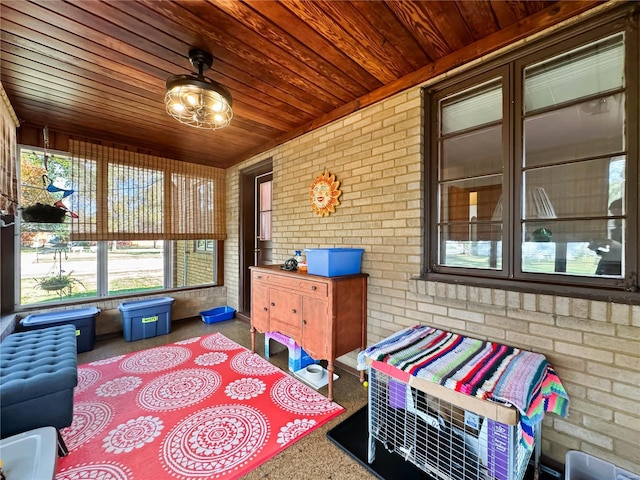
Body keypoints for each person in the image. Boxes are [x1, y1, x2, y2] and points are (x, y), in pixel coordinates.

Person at [589, 198, 622, 275]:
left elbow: (628, 251)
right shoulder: (616, 231)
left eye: (616, 215)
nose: (614, 219)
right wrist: (598, 249)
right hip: (608, 266)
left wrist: (610, 242)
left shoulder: (632, 231)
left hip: (618, 268)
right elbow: (613, 253)